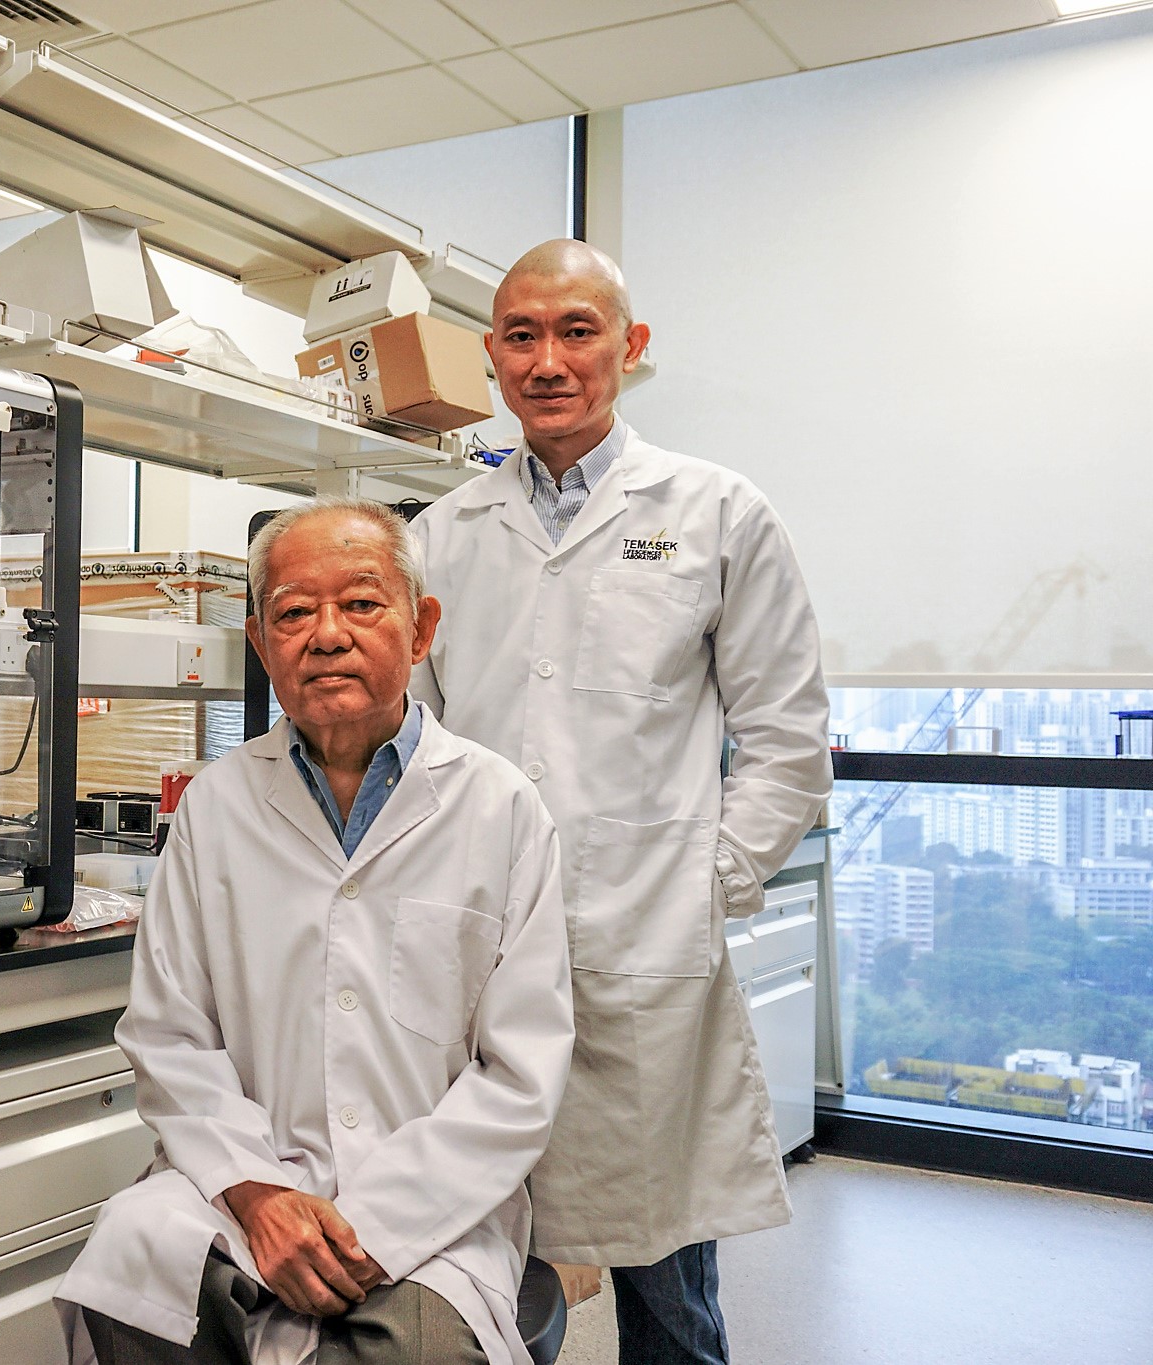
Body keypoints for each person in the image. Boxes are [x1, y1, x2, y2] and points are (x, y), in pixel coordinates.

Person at [409, 239, 832, 1365]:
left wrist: (703, 890)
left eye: (575, 331)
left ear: (628, 349)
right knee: (483, 1274)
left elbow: (787, 742)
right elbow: (410, 749)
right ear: (490, 359)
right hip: (478, 957)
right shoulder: (440, 535)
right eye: (520, 335)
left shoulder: (716, 513)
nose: (547, 361)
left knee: (664, 1292)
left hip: (645, 956)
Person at [57, 497, 574, 1365]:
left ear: (422, 630)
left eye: (362, 603)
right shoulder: (217, 808)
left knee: (412, 1349)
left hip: (432, 1207)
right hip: (242, 1184)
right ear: (261, 644)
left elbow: (519, 1076)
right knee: (134, 1274)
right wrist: (257, 1195)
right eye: (294, 612)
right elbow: (170, 1036)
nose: (326, 634)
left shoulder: (501, 807)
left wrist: (374, 1224)